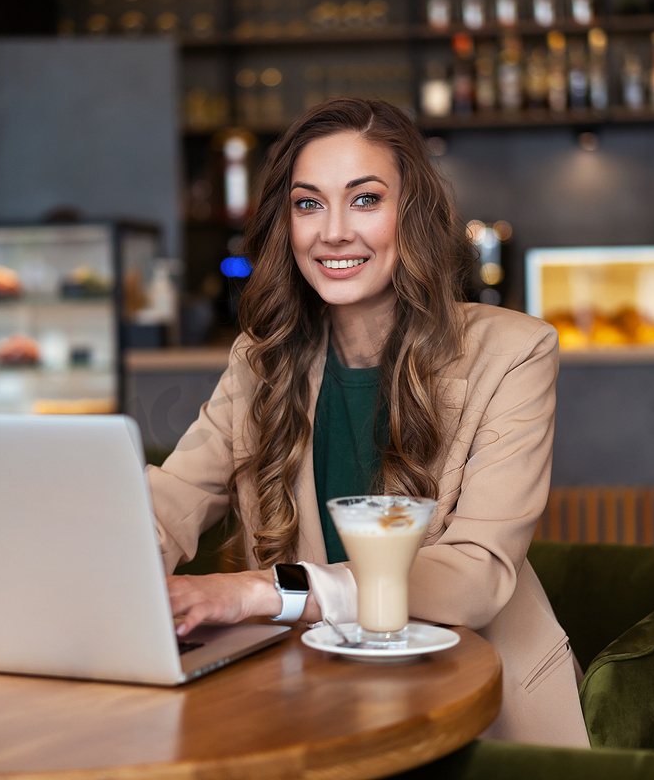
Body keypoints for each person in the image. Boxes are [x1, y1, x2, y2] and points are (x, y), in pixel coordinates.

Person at [146, 98, 588, 747]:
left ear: (410, 216)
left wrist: (262, 591)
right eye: (308, 204)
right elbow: (172, 501)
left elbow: (475, 575)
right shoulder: (258, 361)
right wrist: (102, 562)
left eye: (364, 199)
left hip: (475, 704)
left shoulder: (514, 351)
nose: (332, 232)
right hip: (312, 693)